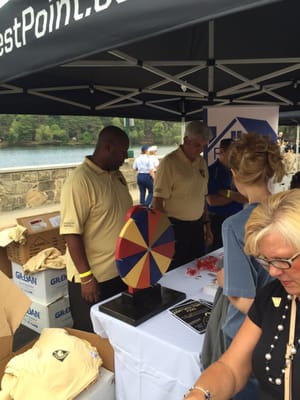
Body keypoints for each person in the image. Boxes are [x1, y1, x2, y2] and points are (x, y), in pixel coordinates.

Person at [184, 189, 300, 400]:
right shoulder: (272, 298)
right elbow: (231, 368)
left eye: (283, 260)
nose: (273, 271)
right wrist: (199, 395)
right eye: (266, 261)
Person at [216, 132, 285, 399]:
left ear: (234, 174)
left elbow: (241, 296)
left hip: (249, 334)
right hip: (288, 326)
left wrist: (224, 281)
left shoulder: (235, 225)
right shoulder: (290, 210)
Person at [60, 125, 133, 332]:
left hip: (119, 271)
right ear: (107, 147)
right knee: (91, 335)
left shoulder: (116, 175)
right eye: (122, 152)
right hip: (94, 279)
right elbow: (71, 233)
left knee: (116, 332)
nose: (125, 157)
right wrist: (86, 277)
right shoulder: (79, 181)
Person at [152, 120, 213, 270]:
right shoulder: (169, 162)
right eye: (197, 145)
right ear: (186, 140)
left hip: (197, 226)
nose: (200, 150)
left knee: (199, 268)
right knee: (175, 270)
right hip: (175, 227)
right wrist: (164, 234)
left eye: (203, 146)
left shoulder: (201, 163)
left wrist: (207, 226)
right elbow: (157, 202)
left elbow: (202, 197)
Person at [206, 138, 247, 251]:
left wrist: (227, 193)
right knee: (216, 255)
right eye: (232, 151)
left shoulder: (239, 171)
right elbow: (212, 201)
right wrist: (236, 196)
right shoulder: (212, 171)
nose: (236, 155)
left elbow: (246, 197)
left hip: (238, 218)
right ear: (222, 151)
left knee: (236, 251)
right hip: (218, 221)